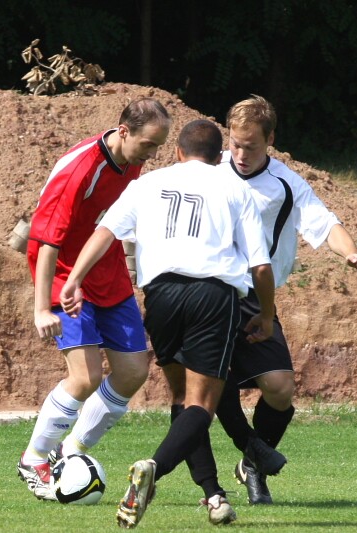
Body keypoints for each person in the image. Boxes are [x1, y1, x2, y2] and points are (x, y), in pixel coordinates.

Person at [58, 119, 276, 529]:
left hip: (160, 296)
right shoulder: (235, 188)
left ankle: (213, 495)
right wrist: (265, 314)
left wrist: (73, 280)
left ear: (177, 152)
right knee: (201, 404)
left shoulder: (146, 184)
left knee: (180, 397)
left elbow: (104, 232)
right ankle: (153, 468)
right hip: (213, 295)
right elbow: (261, 267)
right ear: (219, 156)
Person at [199, 95, 357, 506]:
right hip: (206, 292)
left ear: (271, 140)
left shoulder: (286, 184)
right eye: (235, 144)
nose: (241, 155)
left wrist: (351, 252)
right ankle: (236, 471)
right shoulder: (207, 171)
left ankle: (252, 462)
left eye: (251, 146)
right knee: (209, 383)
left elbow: (326, 224)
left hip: (253, 296)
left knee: (279, 389)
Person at [16, 98, 170, 501]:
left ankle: (71, 450)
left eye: (158, 147)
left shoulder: (132, 161)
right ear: (124, 131)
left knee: (133, 372)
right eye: (149, 145)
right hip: (64, 274)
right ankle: (34, 458)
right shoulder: (81, 168)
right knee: (85, 377)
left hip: (109, 273)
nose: (152, 155)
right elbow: (46, 241)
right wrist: (42, 308)